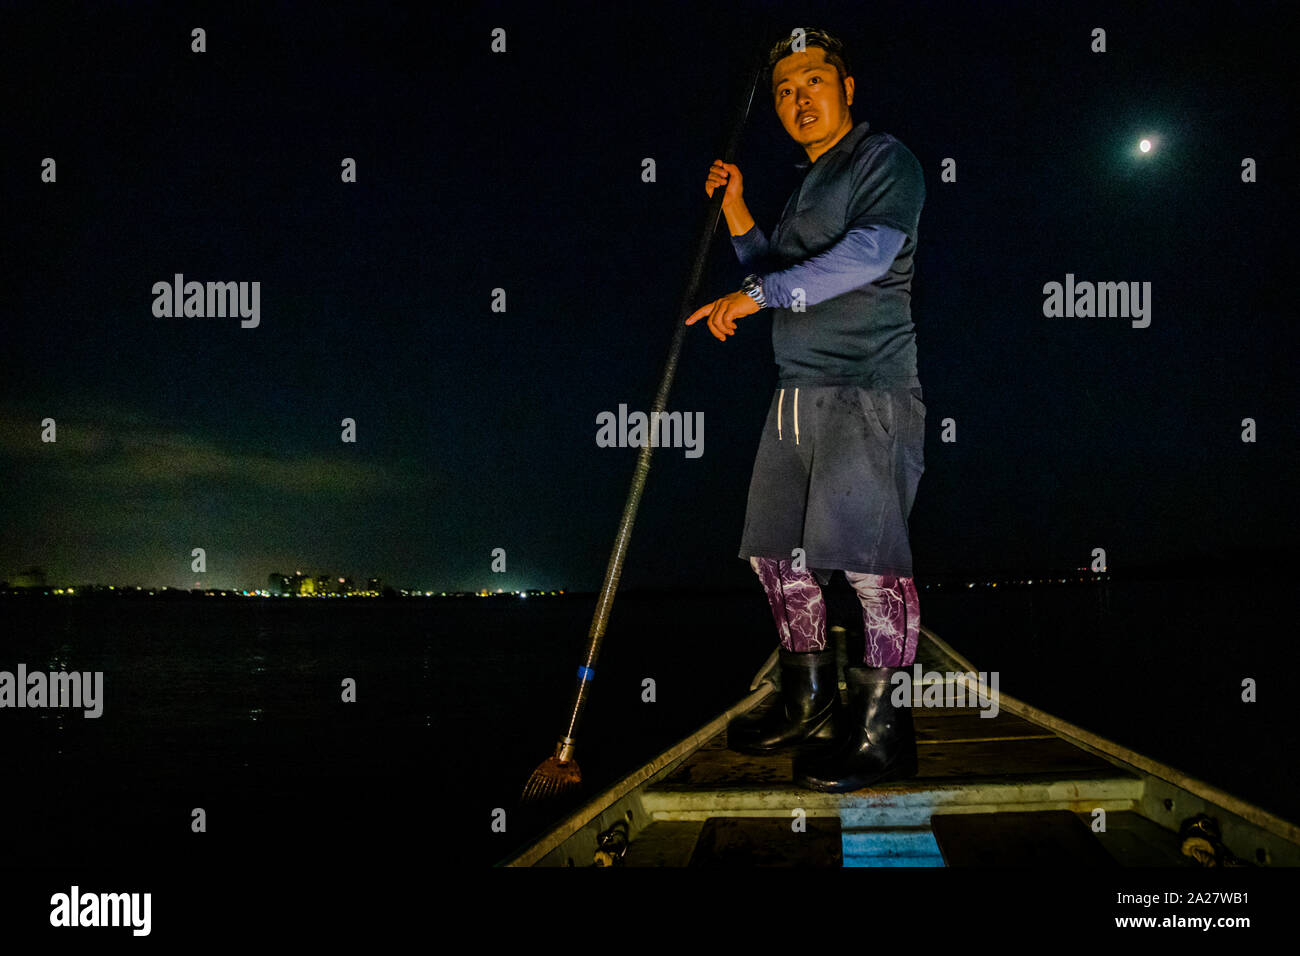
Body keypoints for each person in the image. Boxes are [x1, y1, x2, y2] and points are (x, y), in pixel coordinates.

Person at [685, 28, 927, 793]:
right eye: (784, 90)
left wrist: (754, 295)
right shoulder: (807, 185)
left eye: (813, 81)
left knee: (868, 566)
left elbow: (866, 256)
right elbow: (777, 272)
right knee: (775, 556)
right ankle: (808, 700)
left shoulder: (883, 160)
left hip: (866, 388)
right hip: (793, 395)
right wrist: (738, 210)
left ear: (846, 88)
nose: (797, 98)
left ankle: (883, 732)